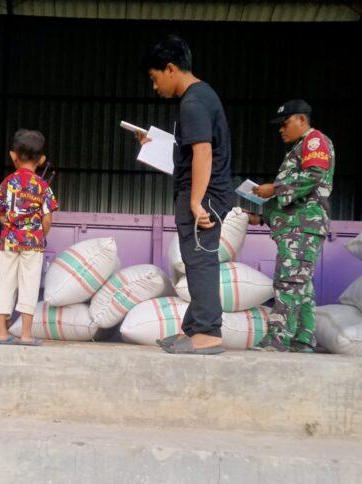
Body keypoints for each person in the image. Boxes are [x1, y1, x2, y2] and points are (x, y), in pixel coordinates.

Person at [139, 35, 232, 355]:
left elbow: (203, 152)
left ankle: (208, 332)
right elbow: (191, 151)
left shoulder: (193, 102)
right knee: (195, 259)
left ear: (170, 68)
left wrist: (195, 201)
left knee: (200, 259)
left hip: (205, 196)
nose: (155, 87)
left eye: (155, 78)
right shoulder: (201, 97)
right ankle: (194, 329)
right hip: (206, 192)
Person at [251, 100, 334, 352]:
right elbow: (295, 202)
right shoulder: (300, 147)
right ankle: (302, 340)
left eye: (285, 123)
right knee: (301, 285)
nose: (281, 129)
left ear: (301, 119)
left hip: (303, 226)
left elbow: (314, 175)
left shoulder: (314, 140)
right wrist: (262, 217)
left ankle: (277, 339)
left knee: (288, 282)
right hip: (298, 225)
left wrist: (274, 189)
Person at [0, 130, 58, 346]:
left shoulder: (6, 183)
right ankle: (26, 334)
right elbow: (47, 219)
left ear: (13, 155)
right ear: (42, 160)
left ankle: (0, 332)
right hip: (33, 243)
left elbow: (0, 213)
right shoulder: (43, 186)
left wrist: (12, 226)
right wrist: (38, 234)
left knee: (4, 282)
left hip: (9, 240)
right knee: (29, 284)